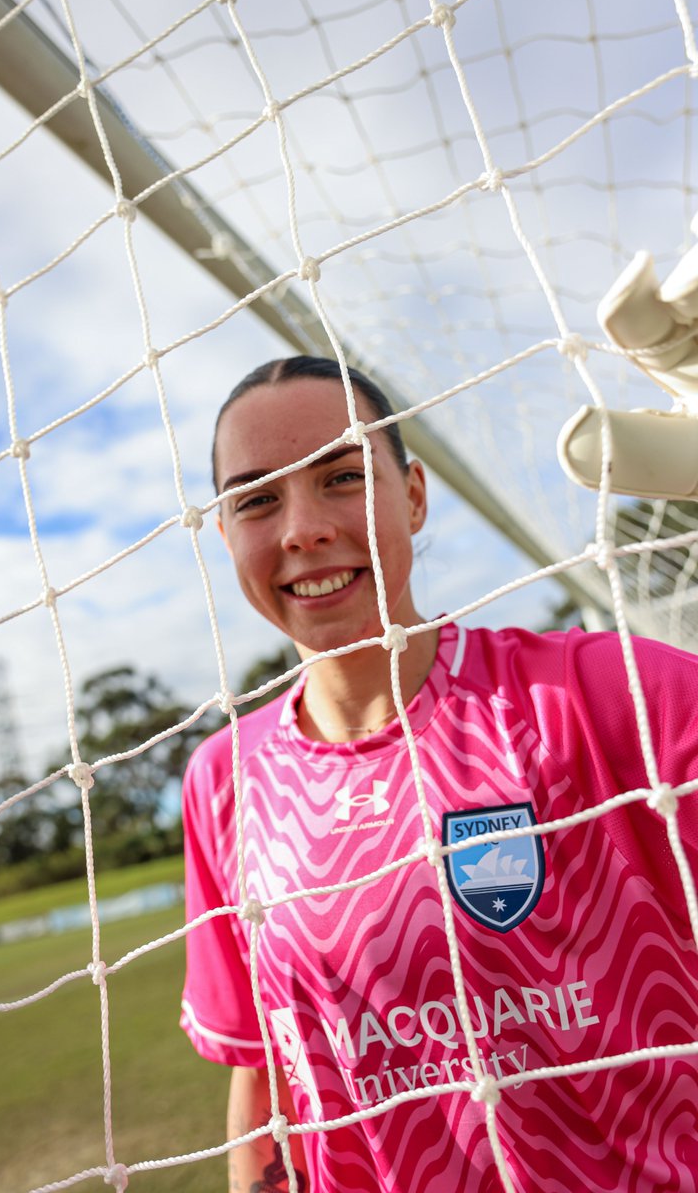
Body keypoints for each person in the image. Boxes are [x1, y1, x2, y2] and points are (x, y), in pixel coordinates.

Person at [180, 355, 698, 1193]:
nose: (302, 528)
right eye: (258, 498)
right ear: (226, 533)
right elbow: (260, 1070)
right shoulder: (222, 781)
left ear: (414, 494)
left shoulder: (598, 695)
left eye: (342, 477)